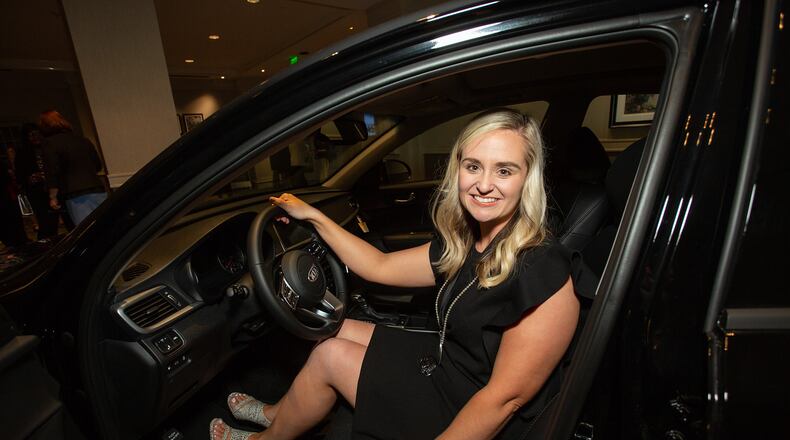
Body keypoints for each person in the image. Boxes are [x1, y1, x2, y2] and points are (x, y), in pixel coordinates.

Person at [210, 108, 596, 440]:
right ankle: (280, 415)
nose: (483, 184)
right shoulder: (467, 241)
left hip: (467, 405)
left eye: (504, 171)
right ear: (457, 169)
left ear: (527, 179)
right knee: (335, 328)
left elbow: (503, 400)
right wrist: (314, 217)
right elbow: (379, 266)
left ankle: (268, 437)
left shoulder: (544, 270)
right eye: (473, 166)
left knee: (329, 356)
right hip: (448, 361)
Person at [38, 110, 107, 225]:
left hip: (75, 192)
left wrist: (53, 197)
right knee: (105, 224)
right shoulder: (83, 140)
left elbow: (52, 171)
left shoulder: (50, 143)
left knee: (86, 229)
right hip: (97, 188)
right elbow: (97, 165)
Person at [14, 124, 60, 239]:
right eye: (31, 135)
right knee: (44, 221)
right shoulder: (22, 153)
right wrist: (31, 178)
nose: (35, 137)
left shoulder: (48, 148)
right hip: (36, 192)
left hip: (53, 189)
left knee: (54, 220)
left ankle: (53, 243)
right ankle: (45, 245)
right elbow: (19, 176)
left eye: (37, 134)